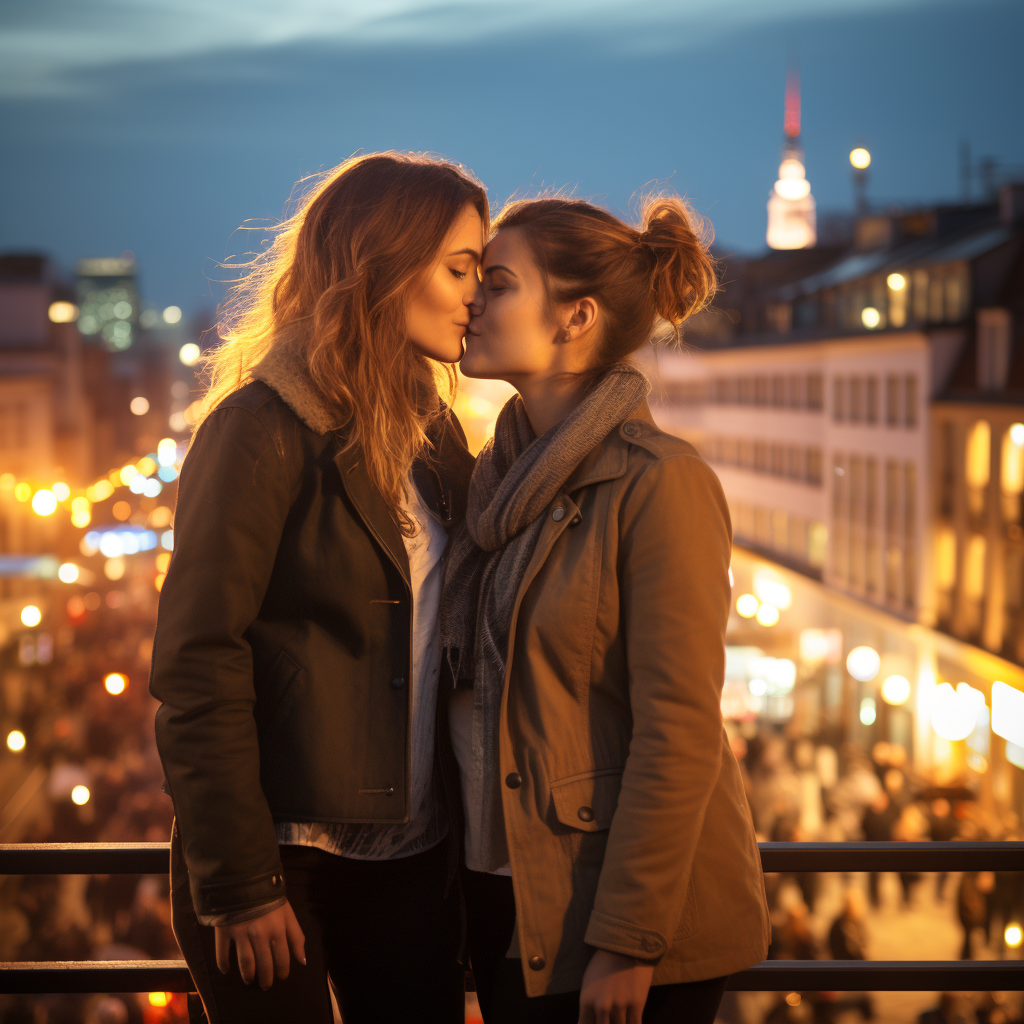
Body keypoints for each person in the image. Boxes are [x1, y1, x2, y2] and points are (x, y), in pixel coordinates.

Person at [149, 152, 486, 1023]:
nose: (475, 293)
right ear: (384, 261)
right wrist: (239, 881)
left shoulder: (432, 431)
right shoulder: (260, 428)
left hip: (411, 856)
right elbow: (196, 661)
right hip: (281, 855)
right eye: (460, 268)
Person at [441, 195, 771, 1024]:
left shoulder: (661, 483)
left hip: (612, 923)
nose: (472, 300)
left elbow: (680, 727)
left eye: (500, 283)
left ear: (575, 316)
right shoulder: (494, 479)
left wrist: (628, 940)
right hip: (509, 898)